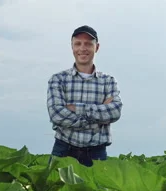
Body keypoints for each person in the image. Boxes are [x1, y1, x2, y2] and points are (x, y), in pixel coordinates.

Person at [46, 25, 123, 167]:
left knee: (97, 190)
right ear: (72, 47)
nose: (83, 48)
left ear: (97, 47)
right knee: (54, 189)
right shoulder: (58, 79)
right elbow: (56, 115)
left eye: (88, 44)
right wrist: (98, 119)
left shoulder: (109, 81)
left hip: (96, 153)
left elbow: (115, 112)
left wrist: (76, 109)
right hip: (64, 149)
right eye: (78, 44)